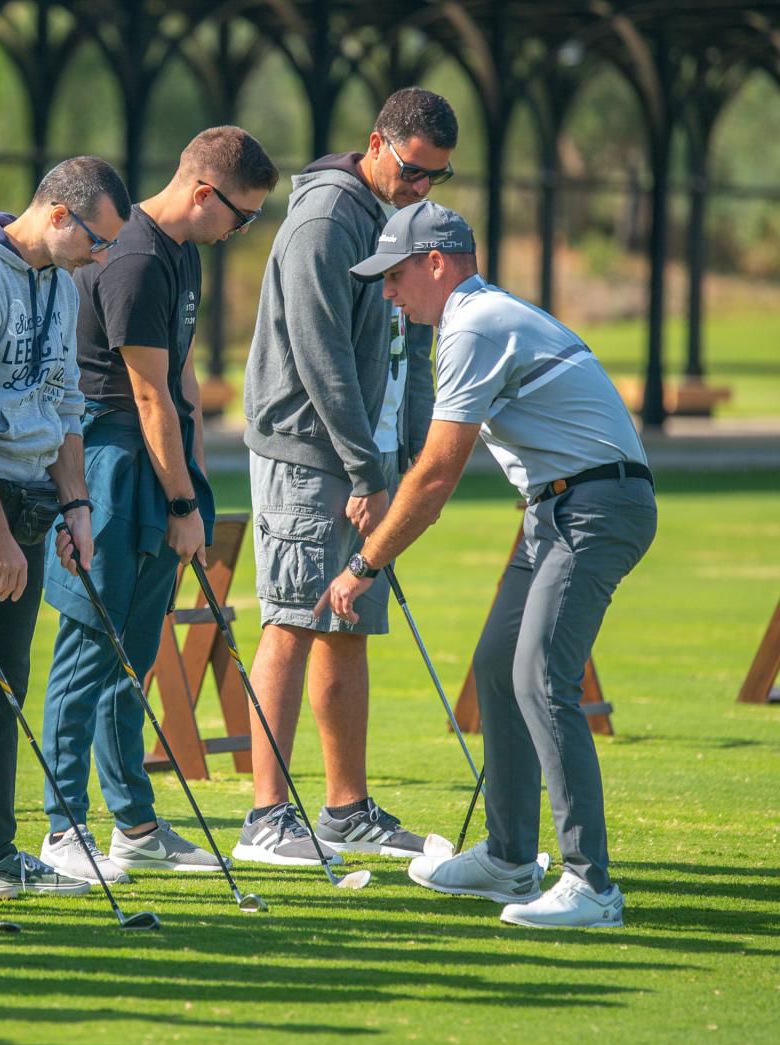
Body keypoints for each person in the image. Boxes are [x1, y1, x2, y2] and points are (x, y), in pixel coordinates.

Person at [325, 202, 655, 928]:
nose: (388, 292)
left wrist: (365, 566)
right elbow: (436, 471)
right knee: (498, 664)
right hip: (558, 506)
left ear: (436, 262)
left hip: (598, 507)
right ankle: (508, 858)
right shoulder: (471, 319)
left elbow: (440, 475)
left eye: (396, 275)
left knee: (541, 674)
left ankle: (590, 884)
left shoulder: (473, 324)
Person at [37, 127, 278, 882]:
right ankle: (61, 826)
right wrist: (181, 501)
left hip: (157, 460)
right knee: (89, 648)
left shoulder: (183, 255)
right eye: (240, 217)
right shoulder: (136, 257)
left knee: (132, 657)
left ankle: (134, 824)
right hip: (111, 460)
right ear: (204, 193)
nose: (241, 232)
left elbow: (180, 390)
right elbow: (143, 394)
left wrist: (196, 492)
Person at [235, 87, 456, 868]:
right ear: (376, 143)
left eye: (437, 177)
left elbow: (407, 346)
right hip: (309, 452)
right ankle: (265, 817)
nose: (421, 187)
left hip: (365, 456)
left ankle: (344, 810)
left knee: (346, 619)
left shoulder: (393, 219)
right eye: (412, 170)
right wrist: (366, 465)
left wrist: (410, 456)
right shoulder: (327, 218)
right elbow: (318, 351)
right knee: (293, 620)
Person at [0, 157, 129, 900]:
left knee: (5, 680)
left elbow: (66, 402)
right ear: (59, 216)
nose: (103, 256)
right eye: (98, 240)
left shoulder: (64, 284)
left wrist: (76, 507)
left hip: (34, 499)